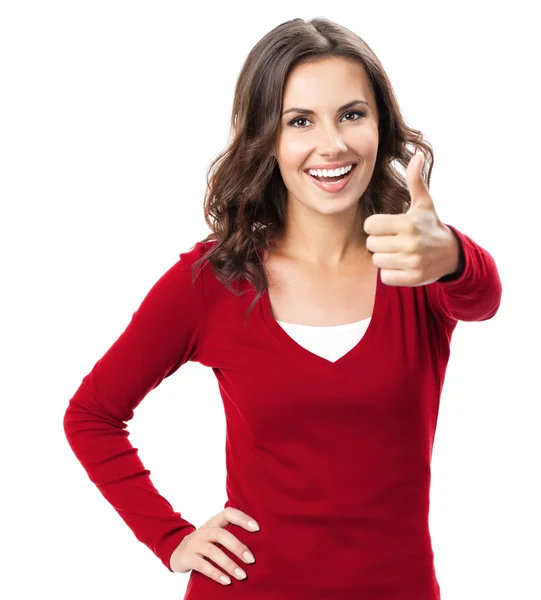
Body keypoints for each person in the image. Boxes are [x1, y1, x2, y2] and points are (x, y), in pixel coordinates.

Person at [63, 16, 502, 600]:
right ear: (267, 137)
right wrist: (170, 538)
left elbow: (483, 299)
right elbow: (92, 414)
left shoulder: (416, 262)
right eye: (300, 121)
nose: (333, 144)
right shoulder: (213, 280)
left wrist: (450, 252)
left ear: (381, 125)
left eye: (352, 114)